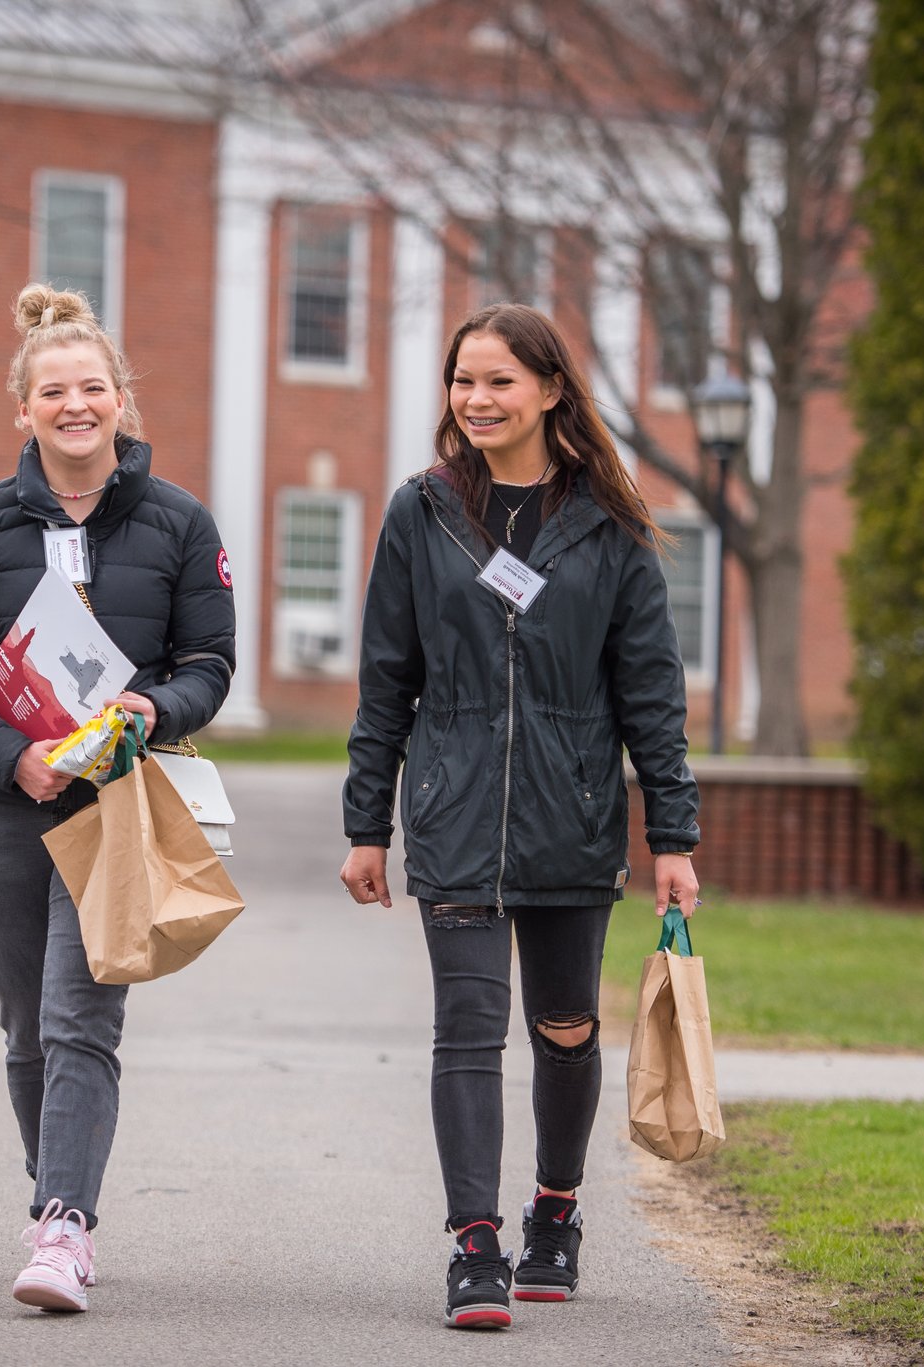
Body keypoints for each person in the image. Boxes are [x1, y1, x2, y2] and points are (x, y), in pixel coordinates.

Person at [339, 302, 702, 1329]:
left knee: (564, 1026)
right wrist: (367, 822)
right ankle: (473, 1242)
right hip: (452, 812)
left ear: (549, 389)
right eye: (463, 380)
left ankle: (554, 1207)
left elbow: (649, 691)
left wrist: (671, 834)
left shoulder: (607, 523)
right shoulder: (422, 510)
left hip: (569, 815)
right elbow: (384, 679)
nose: (476, 399)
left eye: (498, 380)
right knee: (465, 1026)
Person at [0, 284, 235, 1314]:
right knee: (25, 1028)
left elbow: (211, 662)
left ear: (122, 400)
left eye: (93, 386)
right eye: (55, 390)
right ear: (25, 408)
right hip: (4, 806)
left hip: (115, 806)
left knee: (80, 1013)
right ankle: (53, 1196)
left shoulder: (179, 521)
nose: (76, 404)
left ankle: (63, 1225)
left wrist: (152, 703)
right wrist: (12, 757)